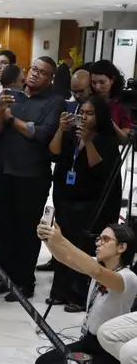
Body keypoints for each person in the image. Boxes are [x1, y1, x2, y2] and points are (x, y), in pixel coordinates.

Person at [0, 57, 66, 301]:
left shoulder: (55, 102)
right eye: (33, 69)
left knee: (25, 231)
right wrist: (2, 110)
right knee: (2, 229)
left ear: (50, 78)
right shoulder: (14, 95)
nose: (35, 75)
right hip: (3, 172)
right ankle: (4, 277)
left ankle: (24, 282)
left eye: (42, 73)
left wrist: (13, 120)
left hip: (31, 176)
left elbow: (42, 134)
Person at [35, 222, 137, 364]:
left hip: (109, 351)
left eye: (105, 239)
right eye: (99, 238)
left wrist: (62, 240)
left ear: (122, 247)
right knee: (42, 363)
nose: (98, 243)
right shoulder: (99, 265)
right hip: (90, 341)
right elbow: (65, 258)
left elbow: (96, 272)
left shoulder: (128, 277)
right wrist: (49, 239)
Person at [46, 95, 122, 312]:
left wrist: (87, 141)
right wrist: (61, 130)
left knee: (84, 247)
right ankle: (60, 291)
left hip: (91, 202)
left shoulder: (106, 140)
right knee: (63, 244)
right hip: (66, 197)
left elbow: (98, 167)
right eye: (82, 113)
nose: (84, 117)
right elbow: (54, 152)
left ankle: (78, 296)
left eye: (90, 114)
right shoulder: (71, 134)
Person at [90, 59, 133, 145]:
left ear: (112, 80)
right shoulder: (90, 101)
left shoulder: (121, 105)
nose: (97, 87)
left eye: (102, 82)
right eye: (94, 83)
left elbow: (125, 140)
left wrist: (110, 123)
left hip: (109, 152)